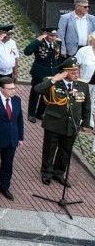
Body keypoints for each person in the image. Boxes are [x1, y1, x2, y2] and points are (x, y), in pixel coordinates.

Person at [35, 57, 92, 186]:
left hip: (72, 125)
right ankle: (47, 172)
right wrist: (55, 79)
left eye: (77, 71)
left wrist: (85, 123)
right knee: (49, 149)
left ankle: (59, 173)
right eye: (73, 72)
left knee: (65, 151)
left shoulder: (82, 85)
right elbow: (38, 89)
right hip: (54, 123)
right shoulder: (52, 82)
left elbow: (86, 106)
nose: (77, 74)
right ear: (64, 72)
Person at [26, 27, 66, 122]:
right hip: (39, 72)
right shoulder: (39, 43)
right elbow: (27, 52)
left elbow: (58, 58)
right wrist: (38, 39)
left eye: (54, 36)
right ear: (45, 34)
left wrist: (58, 71)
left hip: (52, 73)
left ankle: (40, 113)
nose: (53, 38)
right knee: (35, 93)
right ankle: (31, 113)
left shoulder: (57, 43)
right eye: (51, 35)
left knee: (47, 93)